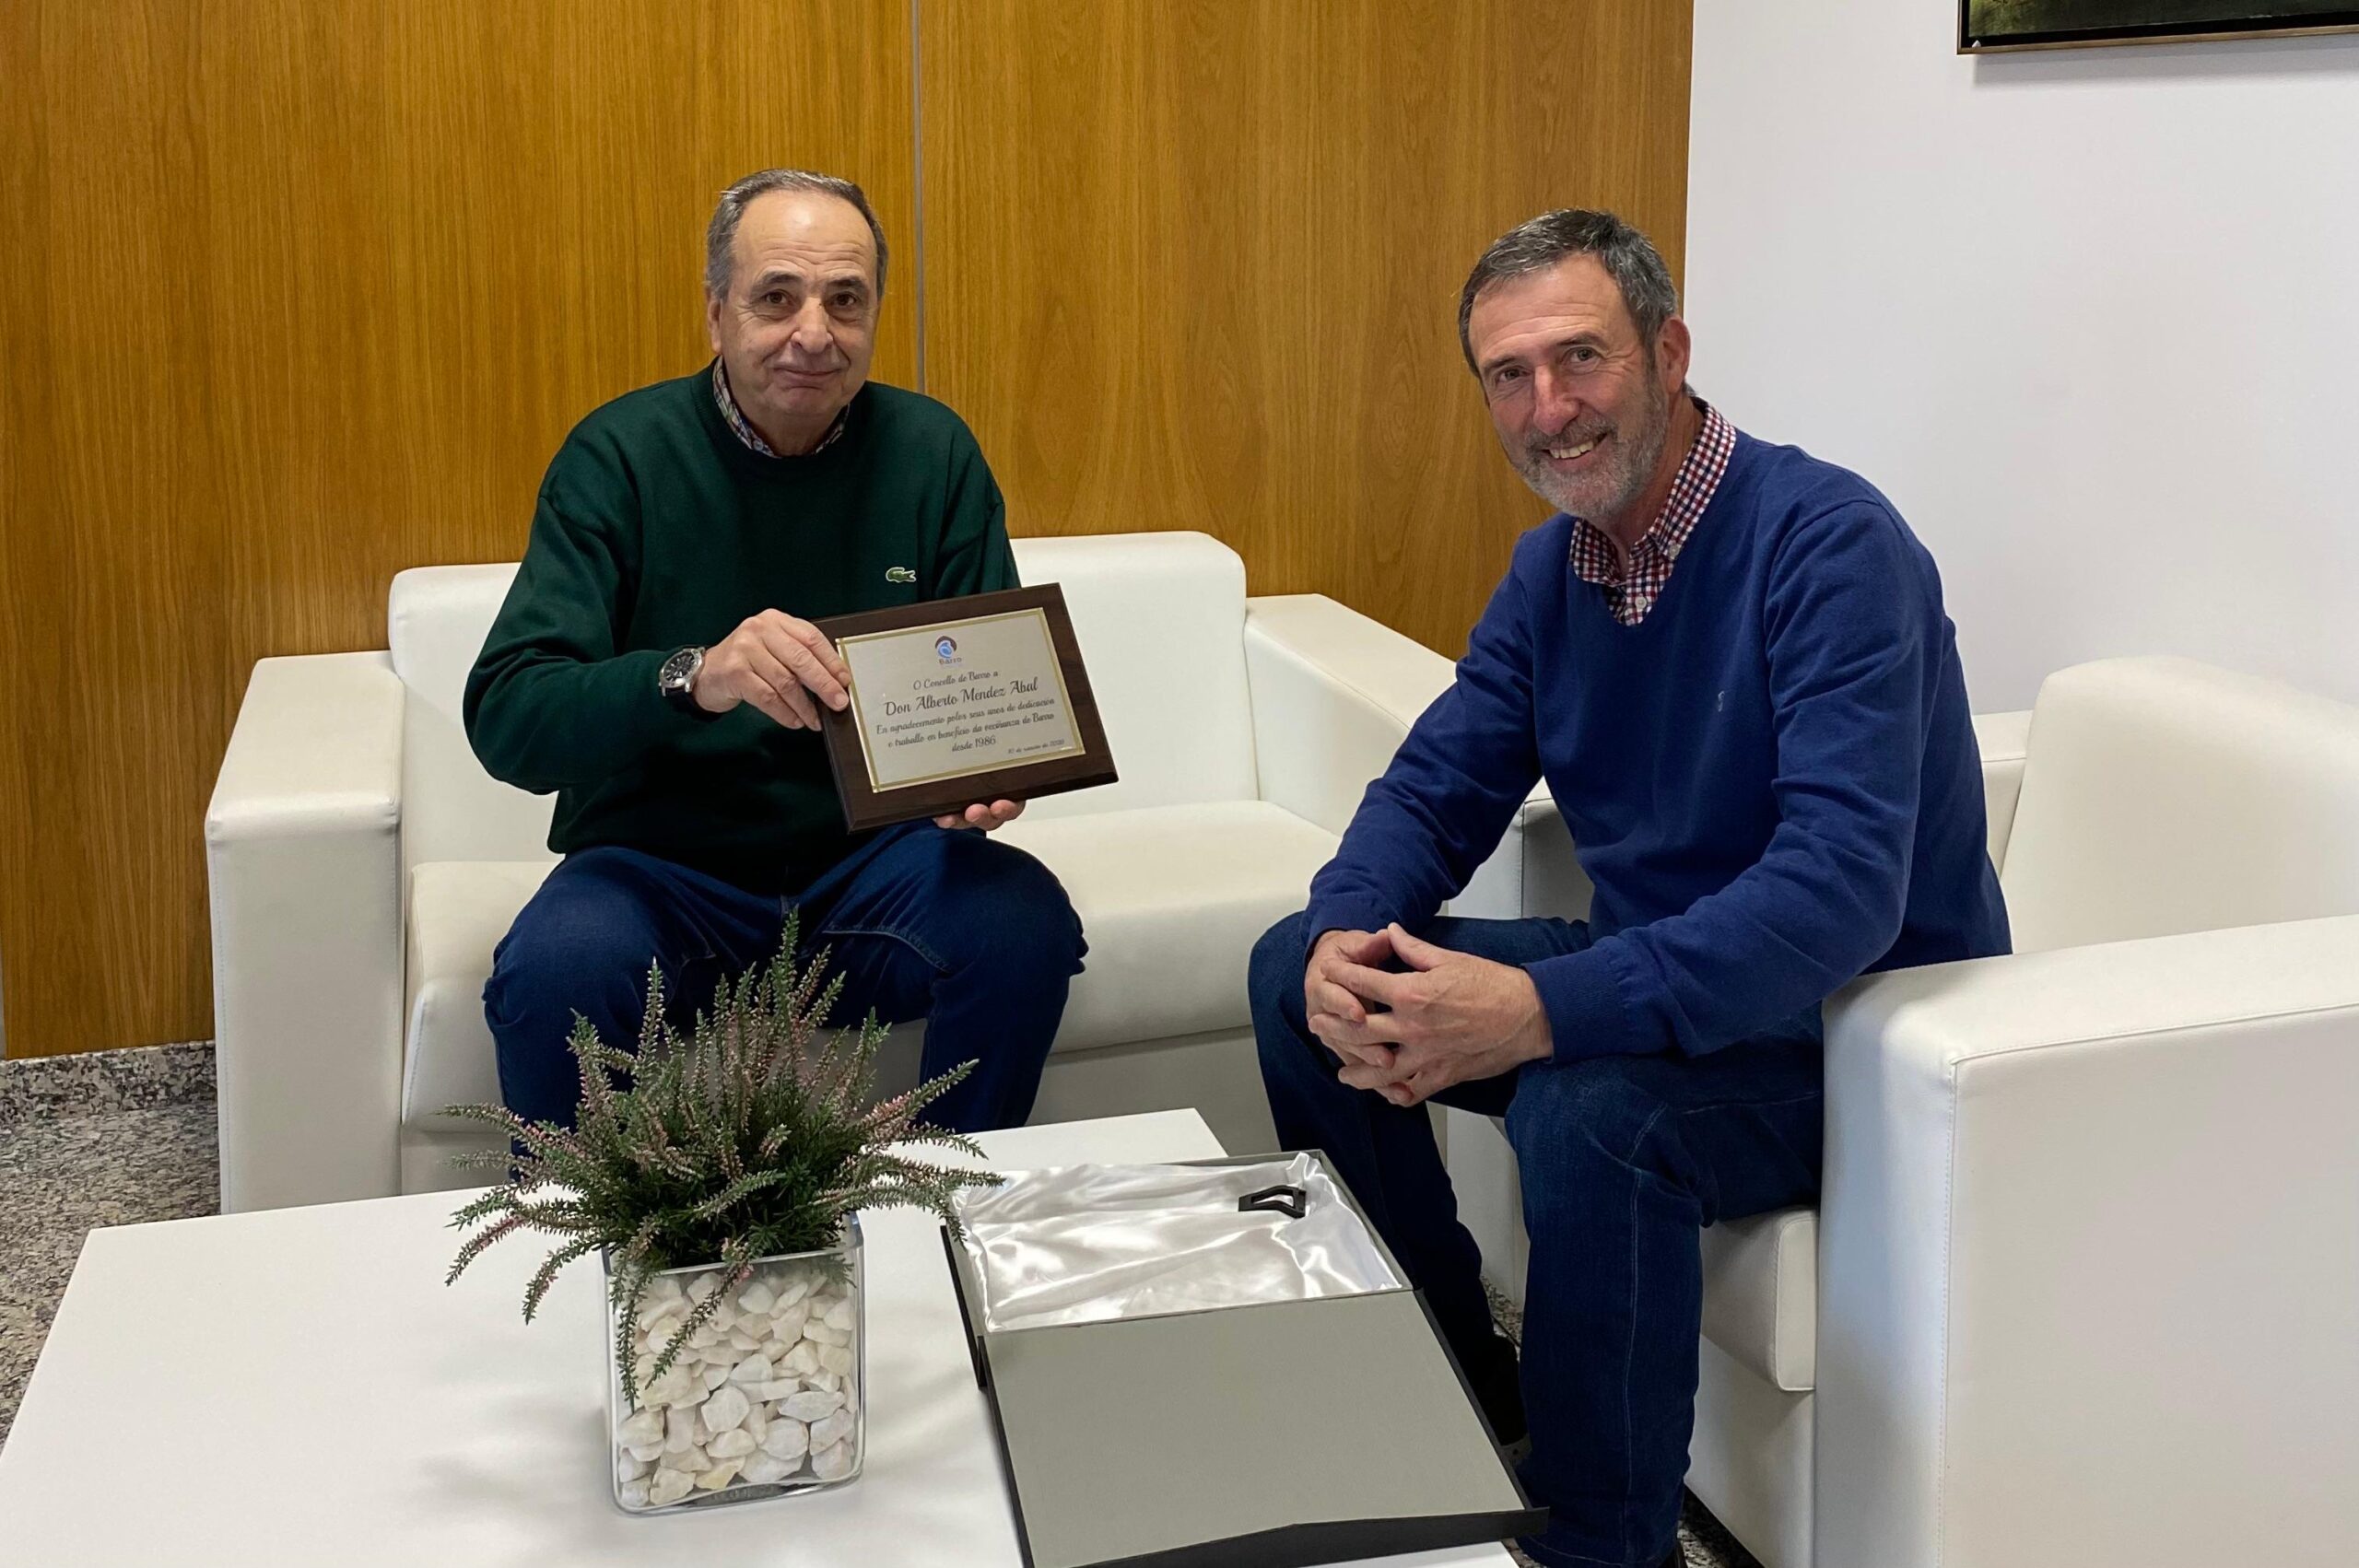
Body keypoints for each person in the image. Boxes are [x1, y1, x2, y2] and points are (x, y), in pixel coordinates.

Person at [1249, 210, 2009, 1568]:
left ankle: (1607, 1545)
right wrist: (1342, 930)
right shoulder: (1554, 568)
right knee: (1294, 972)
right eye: (1509, 374)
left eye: (1580, 357)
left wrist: (1544, 1008)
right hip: (1662, 973)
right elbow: (1438, 785)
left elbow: (1839, 893)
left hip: (1855, 1028)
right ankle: (1463, 1385)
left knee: (1593, 1107)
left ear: (1668, 351)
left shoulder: (1831, 545)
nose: (1549, 407)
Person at [466, 168, 1084, 1134]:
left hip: (873, 866)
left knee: (1020, 921)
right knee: (556, 968)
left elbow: (989, 679)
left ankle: (950, 1195)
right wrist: (694, 676)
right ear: (717, 314)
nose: (814, 332)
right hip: (660, 869)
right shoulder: (618, 456)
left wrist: (987, 777)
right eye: (777, 297)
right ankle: (586, 1226)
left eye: (846, 300)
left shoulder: (932, 453)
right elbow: (510, 717)